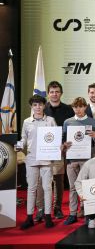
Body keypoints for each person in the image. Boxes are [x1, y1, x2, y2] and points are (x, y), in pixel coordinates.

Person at [18, 95, 57, 229]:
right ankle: (29, 217)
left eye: (40, 104)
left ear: (44, 105)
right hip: (32, 159)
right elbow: (23, 139)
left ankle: (47, 216)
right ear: (31, 106)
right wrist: (18, 145)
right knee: (31, 188)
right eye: (35, 105)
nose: (38, 107)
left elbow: (55, 139)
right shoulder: (27, 122)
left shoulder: (51, 120)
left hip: (46, 159)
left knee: (47, 188)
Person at [61, 97, 95, 225]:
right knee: (72, 187)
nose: (78, 109)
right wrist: (64, 145)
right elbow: (63, 142)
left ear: (85, 107)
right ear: (72, 108)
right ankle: (72, 214)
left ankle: (86, 213)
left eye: (80, 106)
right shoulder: (67, 122)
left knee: (86, 187)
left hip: (87, 160)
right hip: (72, 160)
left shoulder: (92, 122)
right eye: (75, 107)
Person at [42, 81, 74, 220]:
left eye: (57, 91)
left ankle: (57, 208)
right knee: (43, 180)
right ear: (48, 94)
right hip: (44, 150)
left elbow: (71, 129)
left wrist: (65, 144)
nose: (54, 94)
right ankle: (43, 208)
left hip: (60, 149)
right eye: (52, 92)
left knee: (58, 179)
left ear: (61, 93)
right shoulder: (41, 109)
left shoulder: (68, 109)